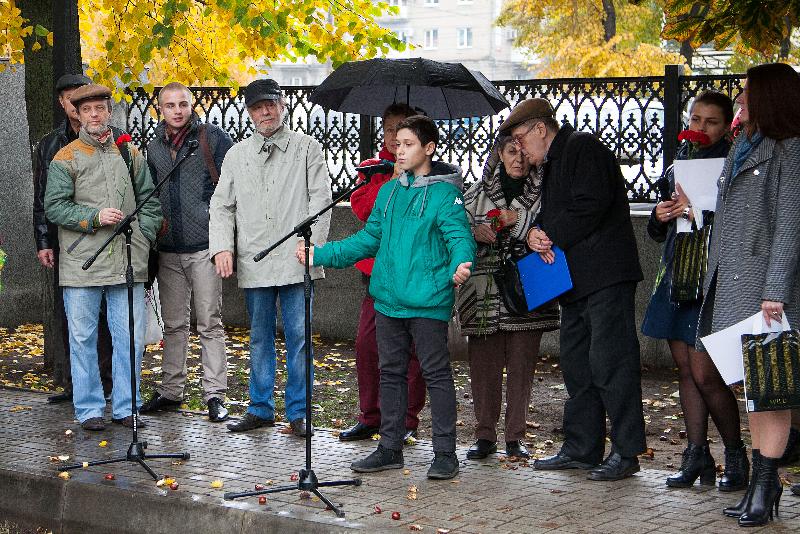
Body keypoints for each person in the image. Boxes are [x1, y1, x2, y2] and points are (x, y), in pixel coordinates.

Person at [297, 115, 475, 480]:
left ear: (429, 148)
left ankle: (445, 453)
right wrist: (321, 253)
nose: (399, 150)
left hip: (427, 301)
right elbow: (368, 239)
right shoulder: (391, 191)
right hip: (388, 299)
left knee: (436, 374)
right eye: (397, 144)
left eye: (408, 144)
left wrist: (461, 263)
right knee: (390, 373)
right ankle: (389, 448)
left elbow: (459, 236)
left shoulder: (446, 194)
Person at [503, 98, 646, 481]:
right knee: (577, 362)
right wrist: (535, 232)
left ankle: (626, 451)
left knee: (611, 361)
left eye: (520, 139)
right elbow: (559, 210)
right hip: (575, 280)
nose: (520, 150)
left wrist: (548, 235)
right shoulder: (555, 160)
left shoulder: (582, 146)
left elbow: (591, 204)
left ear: (539, 128)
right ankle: (582, 447)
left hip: (605, 275)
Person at [696, 63, 800, 527]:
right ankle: (765, 485)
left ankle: (765, 485)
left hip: (767, 290)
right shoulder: (745, 144)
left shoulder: (790, 149)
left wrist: (775, 288)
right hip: (735, 282)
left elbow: (791, 223)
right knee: (756, 390)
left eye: (746, 91)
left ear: (770, 96)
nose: (740, 98)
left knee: (771, 390)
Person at [209, 78, 332, 437]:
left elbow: (320, 202)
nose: (265, 111)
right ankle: (260, 408)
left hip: (297, 260)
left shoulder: (307, 149)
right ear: (249, 112)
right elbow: (222, 205)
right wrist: (222, 247)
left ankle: (299, 412)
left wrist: (312, 248)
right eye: (257, 107)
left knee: (300, 338)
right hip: (255, 259)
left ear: (283, 105)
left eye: (270, 104)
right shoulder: (236, 155)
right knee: (259, 338)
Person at [642, 91, 748, 491]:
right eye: (695, 119)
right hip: (677, 275)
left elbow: (739, 225)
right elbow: (657, 230)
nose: (700, 128)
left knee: (706, 372)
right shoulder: (680, 160)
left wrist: (700, 214)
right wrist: (660, 215)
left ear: (726, 127)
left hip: (713, 279)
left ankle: (736, 453)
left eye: (711, 122)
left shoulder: (735, 162)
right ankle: (696, 454)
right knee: (685, 369)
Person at [44, 84, 162, 430]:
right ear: (77, 115)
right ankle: (90, 408)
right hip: (84, 262)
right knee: (82, 338)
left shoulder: (129, 153)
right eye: (87, 110)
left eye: (101, 108)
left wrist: (143, 235)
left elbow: (149, 201)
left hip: (128, 259)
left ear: (109, 112)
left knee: (129, 336)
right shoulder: (65, 157)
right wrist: (94, 218)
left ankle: (128, 407)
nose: (95, 115)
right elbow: (54, 206)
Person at [456, 133, 559, 460]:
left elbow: (556, 226)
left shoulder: (546, 190)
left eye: (522, 152)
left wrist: (523, 226)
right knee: (483, 363)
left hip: (529, 282)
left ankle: (515, 436)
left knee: (522, 362)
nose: (518, 158)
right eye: (510, 152)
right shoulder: (475, 193)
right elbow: (454, 229)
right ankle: (484, 435)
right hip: (484, 285)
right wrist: (474, 232)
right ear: (498, 153)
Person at [139, 82, 234, 423]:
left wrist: (224, 238)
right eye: (170, 105)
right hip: (167, 248)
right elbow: (147, 195)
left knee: (210, 321)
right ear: (160, 109)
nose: (177, 111)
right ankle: (171, 391)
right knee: (174, 325)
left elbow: (231, 186)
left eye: (183, 104)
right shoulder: (152, 147)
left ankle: (214, 395)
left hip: (205, 246)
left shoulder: (212, 138)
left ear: (191, 105)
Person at [338, 103, 426, 443]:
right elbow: (362, 209)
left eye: (403, 130)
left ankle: (405, 420)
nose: (395, 137)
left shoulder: (429, 170)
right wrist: (388, 180)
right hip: (377, 272)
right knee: (366, 344)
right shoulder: (374, 169)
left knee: (411, 350)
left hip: (414, 272)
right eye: (389, 129)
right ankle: (371, 415)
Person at [33, 73, 114, 404]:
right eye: (70, 97)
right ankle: (75, 384)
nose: (78, 104)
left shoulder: (112, 140)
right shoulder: (50, 145)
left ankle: (107, 383)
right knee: (72, 315)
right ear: (64, 104)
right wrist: (43, 241)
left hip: (104, 237)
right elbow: (41, 199)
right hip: (63, 239)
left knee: (107, 316)